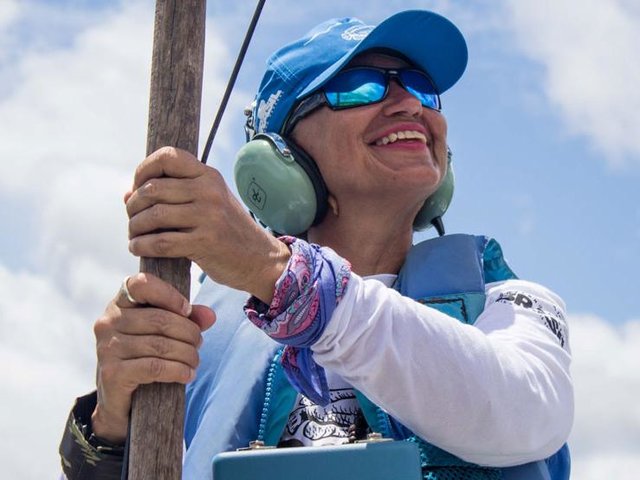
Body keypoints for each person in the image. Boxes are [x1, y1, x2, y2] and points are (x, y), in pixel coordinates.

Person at [59, 10, 573, 480]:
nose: (409, 103)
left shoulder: (504, 299)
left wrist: (279, 273)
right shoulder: (198, 325)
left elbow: (527, 411)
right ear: (280, 159)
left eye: (421, 88)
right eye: (362, 86)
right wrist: (110, 424)